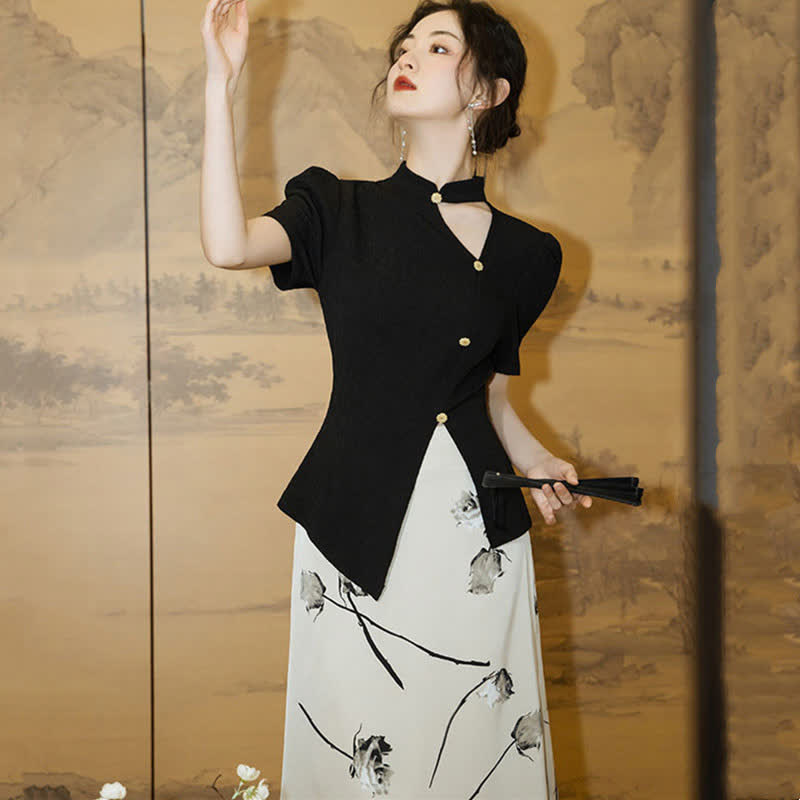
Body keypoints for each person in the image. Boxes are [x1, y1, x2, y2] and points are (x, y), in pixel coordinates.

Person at [201, 0, 592, 797]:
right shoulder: (335, 210)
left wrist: (540, 459)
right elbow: (227, 245)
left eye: (439, 46)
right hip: (359, 524)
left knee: (478, 751)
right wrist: (220, 82)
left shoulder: (531, 255)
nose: (407, 57)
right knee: (362, 752)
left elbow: (489, 398)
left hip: (478, 539)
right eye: (405, 46)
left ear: (487, 91)